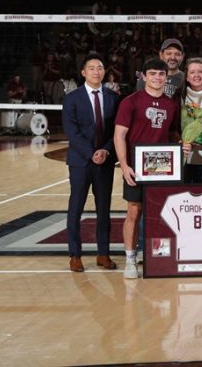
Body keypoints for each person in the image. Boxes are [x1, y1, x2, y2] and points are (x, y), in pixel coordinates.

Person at [114, 58, 180, 279]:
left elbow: (172, 135)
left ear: (166, 77)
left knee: (160, 213)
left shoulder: (171, 104)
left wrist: (182, 144)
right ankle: (131, 259)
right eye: (152, 74)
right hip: (136, 166)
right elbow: (119, 135)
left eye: (161, 74)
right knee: (134, 210)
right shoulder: (130, 102)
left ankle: (157, 257)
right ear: (143, 76)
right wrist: (124, 166)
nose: (157, 78)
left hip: (162, 166)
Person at [62, 53, 119, 273]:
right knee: (75, 209)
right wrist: (91, 153)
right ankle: (75, 255)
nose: (97, 71)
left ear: (104, 71)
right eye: (92, 68)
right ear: (84, 72)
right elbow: (71, 131)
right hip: (80, 161)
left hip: (104, 161)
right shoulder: (72, 98)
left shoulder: (113, 97)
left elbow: (116, 130)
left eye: (100, 67)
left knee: (104, 210)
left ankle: (103, 254)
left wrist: (105, 150)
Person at [180, 58, 202, 183]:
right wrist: (180, 141)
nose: (197, 75)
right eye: (192, 72)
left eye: (200, 71)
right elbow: (172, 128)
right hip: (185, 157)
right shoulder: (179, 96)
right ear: (187, 77)